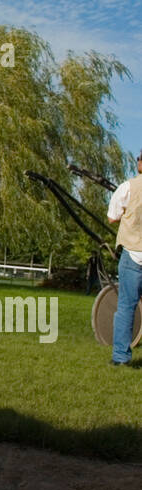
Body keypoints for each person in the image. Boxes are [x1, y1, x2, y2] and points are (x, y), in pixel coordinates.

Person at [106, 152, 142, 367]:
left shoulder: (127, 187)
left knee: (127, 307)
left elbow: (112, 217)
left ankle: (120, 357)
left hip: (134, 253)